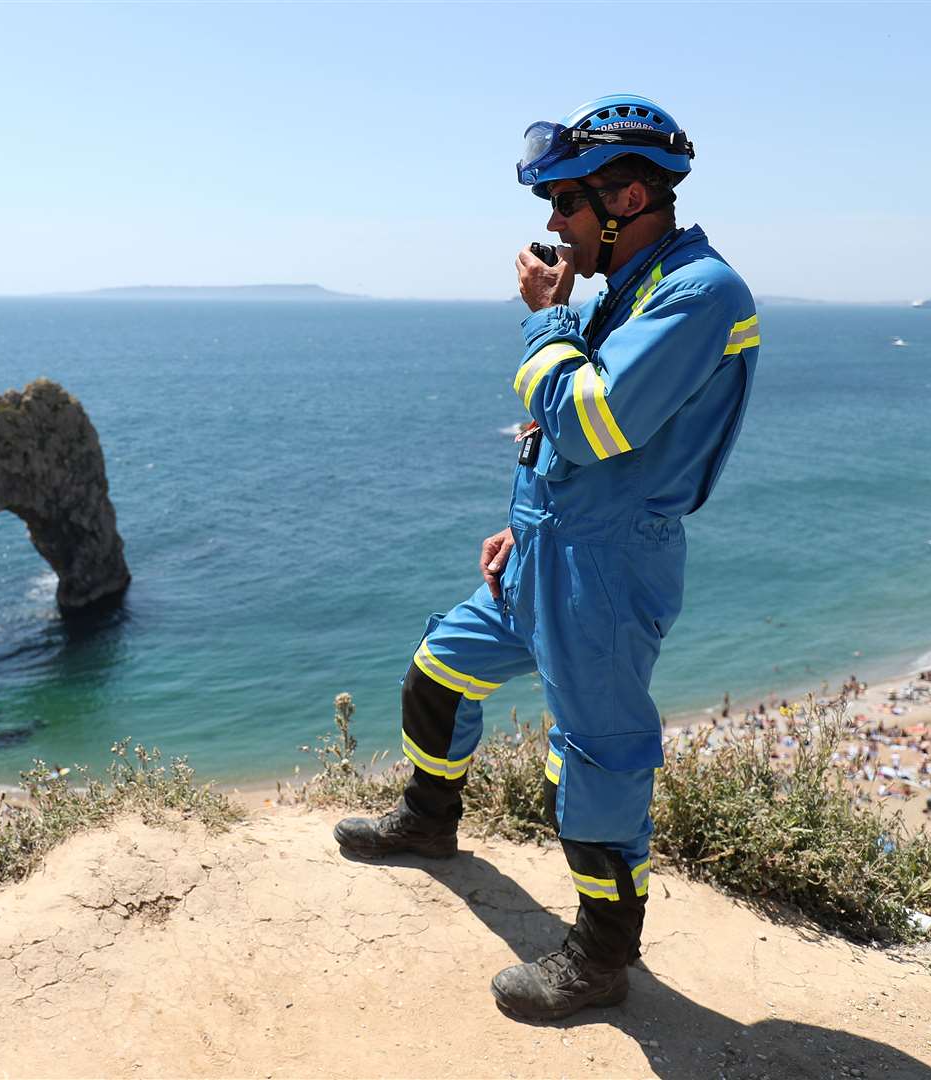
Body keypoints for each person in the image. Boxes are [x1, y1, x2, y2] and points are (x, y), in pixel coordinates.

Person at [333, 93, 760, 1021]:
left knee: (598, 759)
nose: (554, 229)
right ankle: (428, 821)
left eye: (567, 205)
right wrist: (517, 522)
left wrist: (542, 321)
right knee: (438, 666)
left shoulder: (699, 293)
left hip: (606, 569)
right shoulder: (628, 292)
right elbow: (556, 438)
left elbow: (589, 418)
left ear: (631, 196)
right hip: (545, 549)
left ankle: (602, 959)